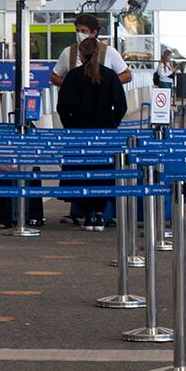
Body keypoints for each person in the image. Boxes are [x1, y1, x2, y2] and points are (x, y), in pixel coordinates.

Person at [54, 36, 127, 230]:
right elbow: (121, 106)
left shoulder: (73, 77)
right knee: (103, 174)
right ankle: (101, 215)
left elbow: (62, 106)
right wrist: (112, 123)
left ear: (81, 55)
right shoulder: (110, 76)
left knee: (82, 174)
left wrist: (70, 124)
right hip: (105, 133)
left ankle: (87, 214)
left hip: (79, 132)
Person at [48, 12, 132, 87]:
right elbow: (54, 76)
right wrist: (69, 85)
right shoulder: (68, 52)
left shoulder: (109, 52)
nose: (79, 34)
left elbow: (127, 75)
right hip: (76, 102)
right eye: (77, 31)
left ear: (94, 32)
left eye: (84, 31)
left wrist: (108, 83)